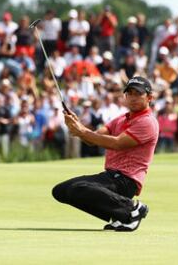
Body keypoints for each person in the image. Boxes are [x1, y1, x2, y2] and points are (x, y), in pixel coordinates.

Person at [52, 76, 159, 232]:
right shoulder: (121, 119)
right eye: (130, 94)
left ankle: (132, 210)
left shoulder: (147, 122)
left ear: (149, 98)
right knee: (61, 191)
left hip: (126, 180)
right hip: (111, 177)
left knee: (79, 188)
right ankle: (119, 215)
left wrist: (82, 131)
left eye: (138, 94)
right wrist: (78, 127)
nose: (133, 98)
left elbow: (116, 143)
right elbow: (93, 138)